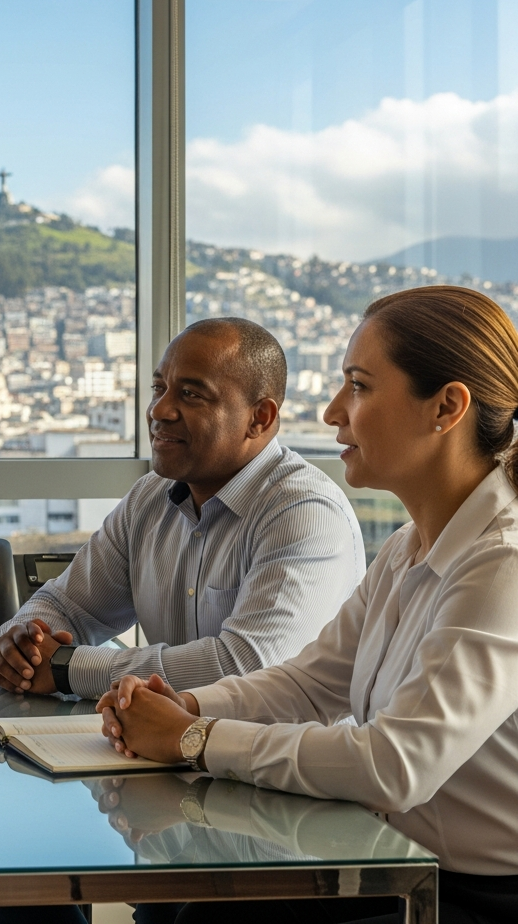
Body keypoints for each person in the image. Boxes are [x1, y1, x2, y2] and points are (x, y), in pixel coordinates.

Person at [100, 285, 518, 924]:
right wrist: (186, 704)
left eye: (359, 386)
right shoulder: (411, 544)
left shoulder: (502, 566)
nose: (331, 412)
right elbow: (309, 683)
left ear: (447, 407)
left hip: (468, 897)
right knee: (195, 908)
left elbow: (393, 765)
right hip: (386, 859)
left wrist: (193, 737)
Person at [0, 317, 365, 701]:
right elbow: (63, 605)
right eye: (159, 388)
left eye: (191, 395)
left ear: (259, 418)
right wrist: (19, 645)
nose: (159, 410)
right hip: (168, 752)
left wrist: (69, 668)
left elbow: (247, 667)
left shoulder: (304, 512)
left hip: (276, 759)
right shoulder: (150, 498)